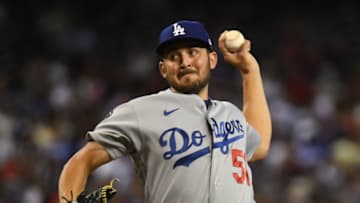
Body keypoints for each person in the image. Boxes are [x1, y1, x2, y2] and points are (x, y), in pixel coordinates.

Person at [58, 20, 272, 203]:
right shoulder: (140, 111)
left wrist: (249, 70)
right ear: (163, 69)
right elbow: (82, 161)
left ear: (212, 60)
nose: (185, 62)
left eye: (193, 52)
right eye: (174, 56)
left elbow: (260, 146)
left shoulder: (229, 112)